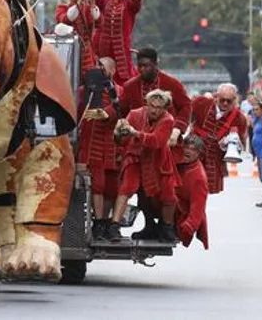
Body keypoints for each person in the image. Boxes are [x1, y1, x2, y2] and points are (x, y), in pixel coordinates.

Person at [111, 90, 179, 244]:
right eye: (152, 106)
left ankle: (167, 227)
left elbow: (156, 141)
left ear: (165, 108)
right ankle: (114, 226)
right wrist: (118, 132)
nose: (154, 110)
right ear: (146, 104)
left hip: (158, 160)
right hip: (135, 156)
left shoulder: (168, 120)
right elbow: (120, 141)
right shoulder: (135, 114)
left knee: (168, 194)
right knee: (128, 187)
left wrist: (135, 133)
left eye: (159, 108)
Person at [77, 57, 121, 240]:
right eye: (97, 66)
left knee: (112, 188)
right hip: (91, 145)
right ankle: (98, 222)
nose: (99, 69)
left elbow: (123, 110)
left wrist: (106, 113)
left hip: (112, 147)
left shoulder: (119, 91)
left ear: (112, 70)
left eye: (102, 67)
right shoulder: (84, 91)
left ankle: (107, 222)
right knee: (97, 186)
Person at [189, 83, 247, 196]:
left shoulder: (239, 118)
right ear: (216, 96)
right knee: (188, 188)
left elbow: (240, 147)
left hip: (214, 161)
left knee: (202, 194)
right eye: (222, 100)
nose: (225, 103)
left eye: (229, 101)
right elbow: (184, 115)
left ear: (235, 100)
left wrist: (228, 145)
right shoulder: (201, 103)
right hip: (193, 154)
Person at [118, 48, 192, 125]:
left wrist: (178, 128)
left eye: (146, 66)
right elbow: (120, 110)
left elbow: (186, 106)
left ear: (156, 64)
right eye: (139, 66)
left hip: (168, 130)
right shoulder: (130, 86)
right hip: (137, 130)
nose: (142, 69)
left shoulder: (173, 84)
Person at [92, 0, 142, 84]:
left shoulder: (129, 5)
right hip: (101, 50)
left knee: (123, 79)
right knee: (100, 76)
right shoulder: (104, 2)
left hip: (121, 51)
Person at [55, 0, 99, 73]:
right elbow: (65, 19)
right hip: (68, 53)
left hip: (87, 56)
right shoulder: (62, 8)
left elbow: (98, 22)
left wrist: (92, 4)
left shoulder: (88, 9)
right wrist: (78, 3)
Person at [175, 135, 209, 249]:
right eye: (186, 147)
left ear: (198, 153)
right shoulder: (181, 164)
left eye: (193, 149)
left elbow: (198, 208)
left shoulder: (198, 177)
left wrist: (187, 227)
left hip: (181, 217)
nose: (188, 151)